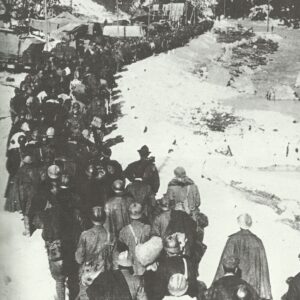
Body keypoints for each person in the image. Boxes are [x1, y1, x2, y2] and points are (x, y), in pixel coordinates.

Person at [214, 213, 272, 300]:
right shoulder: (258, 241)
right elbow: (263, 269)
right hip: (254, 289)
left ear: (239, 223)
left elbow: (225, 263)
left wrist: (216, 284)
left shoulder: (233, 239)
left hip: (235, 289)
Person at [76, 207, 113, 300]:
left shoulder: (85, 235)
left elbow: (79, 259)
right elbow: (114, 259)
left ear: (91, 219)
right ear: (104, 219)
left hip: (88, 276)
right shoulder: (110, 236)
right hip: (105, 275)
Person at [152, 234, 198, 300]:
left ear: (167, 251)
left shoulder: (163, 265)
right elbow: (193, 286)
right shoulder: (187, 262)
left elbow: (158, 290)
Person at [118, 202, 151, 276]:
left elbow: (121, 249)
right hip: (145, 265)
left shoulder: (124, 231)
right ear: (142, 214)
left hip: (131, 265)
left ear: (129, 215)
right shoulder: (148, 228)